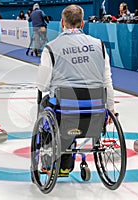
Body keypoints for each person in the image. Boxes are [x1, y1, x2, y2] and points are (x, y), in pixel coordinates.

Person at [37, 4, 115, 175]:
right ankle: (65, 163)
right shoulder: (99, 45)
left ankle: (53, 161)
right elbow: (106, 81)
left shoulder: (51, 47)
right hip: (94, 108)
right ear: (83, 23)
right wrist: (110, 109)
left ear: (62, 23)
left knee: (45, 105)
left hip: (64, 111)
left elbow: (42, 86)